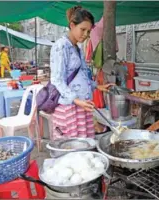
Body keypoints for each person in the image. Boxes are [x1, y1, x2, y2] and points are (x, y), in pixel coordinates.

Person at [50, 6, 113, 140]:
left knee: (83, 143)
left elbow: (82, 75)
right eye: (82, 29)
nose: (85, 34)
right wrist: (76, 100)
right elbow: (57, 80)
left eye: (88, 31)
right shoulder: (61, 46)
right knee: (72, 146)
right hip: (70, 107)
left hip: (82, 105)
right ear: (72, 25)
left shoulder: (77, 48)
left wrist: (97, 86)